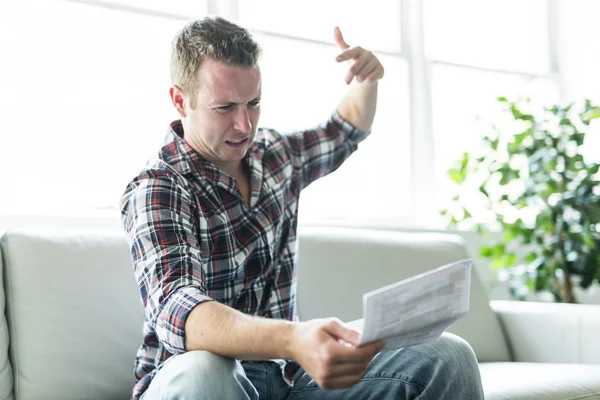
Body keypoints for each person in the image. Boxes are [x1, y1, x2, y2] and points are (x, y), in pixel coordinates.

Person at [120, 16, 484, 400]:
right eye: (225, 107)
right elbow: (179, 312)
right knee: (204, 369)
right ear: (181, 101)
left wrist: (366, 82)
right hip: (200, 382)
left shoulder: (274, 156)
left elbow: (343, 131)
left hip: (286, 381)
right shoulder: (158, 186)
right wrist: (293, 339)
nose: (244, 125)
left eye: (254, 103)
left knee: (447, 355)